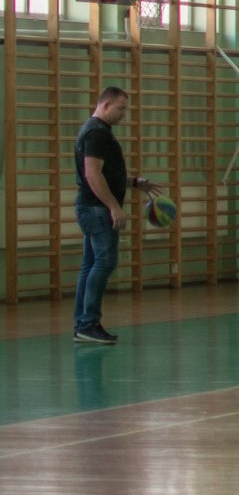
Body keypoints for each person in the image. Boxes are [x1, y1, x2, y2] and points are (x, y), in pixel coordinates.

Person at [72, 86, 157, 345]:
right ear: (106, 105)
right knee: (104, 262)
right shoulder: (97, 132)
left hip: (92, 208)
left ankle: (83, 324)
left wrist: (133, 182)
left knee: (91, 264)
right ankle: (88, 323)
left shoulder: (96, 130)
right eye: (120, 109)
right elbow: (92, 174)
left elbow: (105, 173)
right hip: (96, 209)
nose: (124, 114)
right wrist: (113, 206)